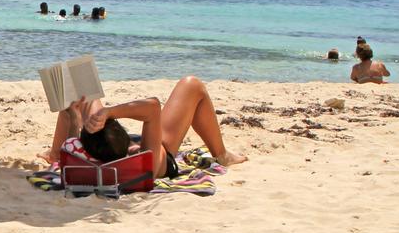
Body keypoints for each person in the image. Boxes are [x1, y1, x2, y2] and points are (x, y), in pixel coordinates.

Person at [46, 76, 248, 180]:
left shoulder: (77, 157)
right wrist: (110, 112)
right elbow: (152, 107)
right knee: (193, 85)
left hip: (106, 149)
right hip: (163, 152)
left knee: (80, 97)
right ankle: (221, 154)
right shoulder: (147, 159)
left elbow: (72, 129)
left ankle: (53, 153)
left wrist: (74, 115)